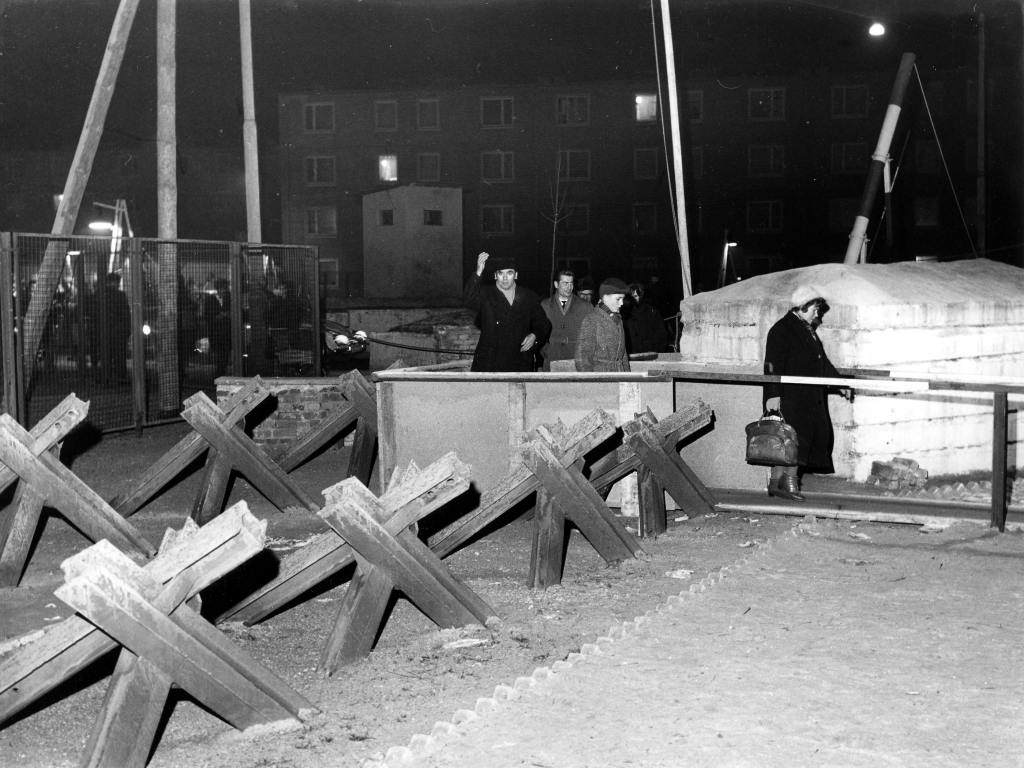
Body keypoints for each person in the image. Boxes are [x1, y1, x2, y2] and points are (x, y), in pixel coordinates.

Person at [763, 285, 852, 501]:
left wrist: (839, 383)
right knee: (792, 441)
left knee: (787, 440)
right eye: (814, 309)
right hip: (789, 397)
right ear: (802, 306)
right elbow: (772, 365)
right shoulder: (782, 329)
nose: (817, 314)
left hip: (804, 397)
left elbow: (821, 362)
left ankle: (775, 483)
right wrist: (773, 396)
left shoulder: (805, 329)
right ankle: (789, 484)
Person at [464, 251, 551, 372]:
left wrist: (534, 336)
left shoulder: (529, 297)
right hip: (489, 362)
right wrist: (478, 272)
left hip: (519, 360)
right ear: (495, 276)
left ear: (516, 275)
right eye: (500, 273)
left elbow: (544, 323)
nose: (505, 278)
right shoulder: (486, 294)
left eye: (509, 273)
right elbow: (468, 300)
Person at [539, 270, 592, 371]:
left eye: (571, 283)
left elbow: (591, 335)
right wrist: (545, 350)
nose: (569, 287)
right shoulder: (544, 305)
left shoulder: (585, 306)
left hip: (577, 362)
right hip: (552, 359)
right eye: (565, 283)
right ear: (556, 284)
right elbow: (538, 331)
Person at [575, 277, 630, 372]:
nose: (621, 303)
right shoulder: (591, 321)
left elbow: (623, 355)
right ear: (606, 297)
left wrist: (628, 377)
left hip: (619, 375)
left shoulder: (618, 319)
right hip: (601, 377)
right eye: (618, 299)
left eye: (623, 299)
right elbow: (582, 359)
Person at [623, 282, 667, 355]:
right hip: (631, 355)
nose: (633, 299)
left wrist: (654, 352)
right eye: (630, 296)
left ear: (641, 296)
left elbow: (661, 335)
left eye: (635, 296)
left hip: (648, 354)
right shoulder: (624, 313)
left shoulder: (651, 312)